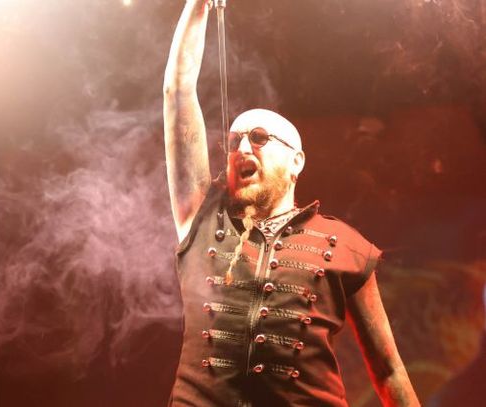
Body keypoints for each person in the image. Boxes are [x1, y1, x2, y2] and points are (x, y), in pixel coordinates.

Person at [163, 1, 420, 406]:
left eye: (259, 138)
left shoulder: (346, 246)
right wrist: (198, 5)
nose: (242, 147)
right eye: (234, 141)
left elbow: (389, 371)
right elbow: (177, 92)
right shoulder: (203, 216)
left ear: (296, 162)